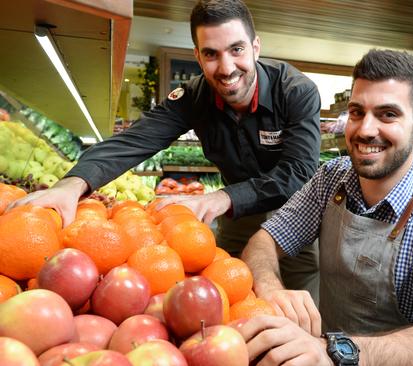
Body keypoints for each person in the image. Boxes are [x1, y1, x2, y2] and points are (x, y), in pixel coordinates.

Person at [9, 0, 321, 297]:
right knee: (235, 297)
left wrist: (222, 196)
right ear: (198, 57)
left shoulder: (295, 92)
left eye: (236, 50)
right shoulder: (194, 97)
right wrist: (72, 184)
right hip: (237, 219)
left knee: (297, 303)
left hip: (292, 214)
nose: (226, 68)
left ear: (255, 47)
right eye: (211, 54)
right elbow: (134, 141)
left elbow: (299, 172)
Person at [239, 49, 413, 365]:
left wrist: (337, 351)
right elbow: (264, 241)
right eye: (357, 112)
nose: (365, 129)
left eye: (388, 114)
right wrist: (272, 287)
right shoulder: (332, 178)